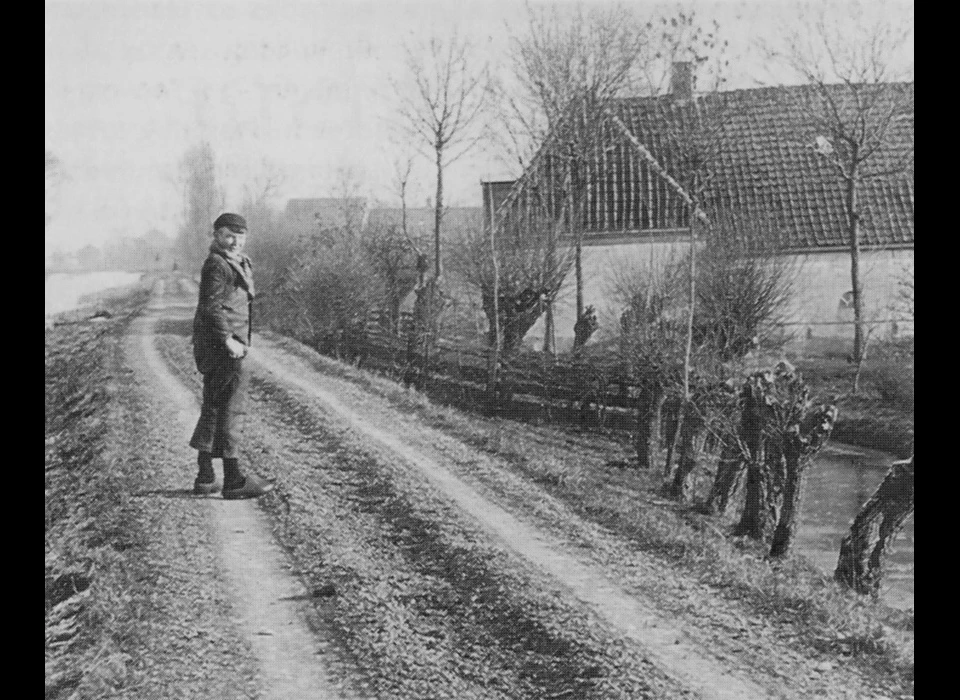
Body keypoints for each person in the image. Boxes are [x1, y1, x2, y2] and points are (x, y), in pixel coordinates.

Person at [188, 212, 273, 499]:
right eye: (228, 235)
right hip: (223, 347)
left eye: (241, 236)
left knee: (214, 405)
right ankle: (234, 480)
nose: (235, 241)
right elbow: (210, 308)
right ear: (216, 236)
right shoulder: (216, 264)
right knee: (230, 409)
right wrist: (228, 340)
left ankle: (205, 475)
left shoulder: (238, 262)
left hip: (224, 345)